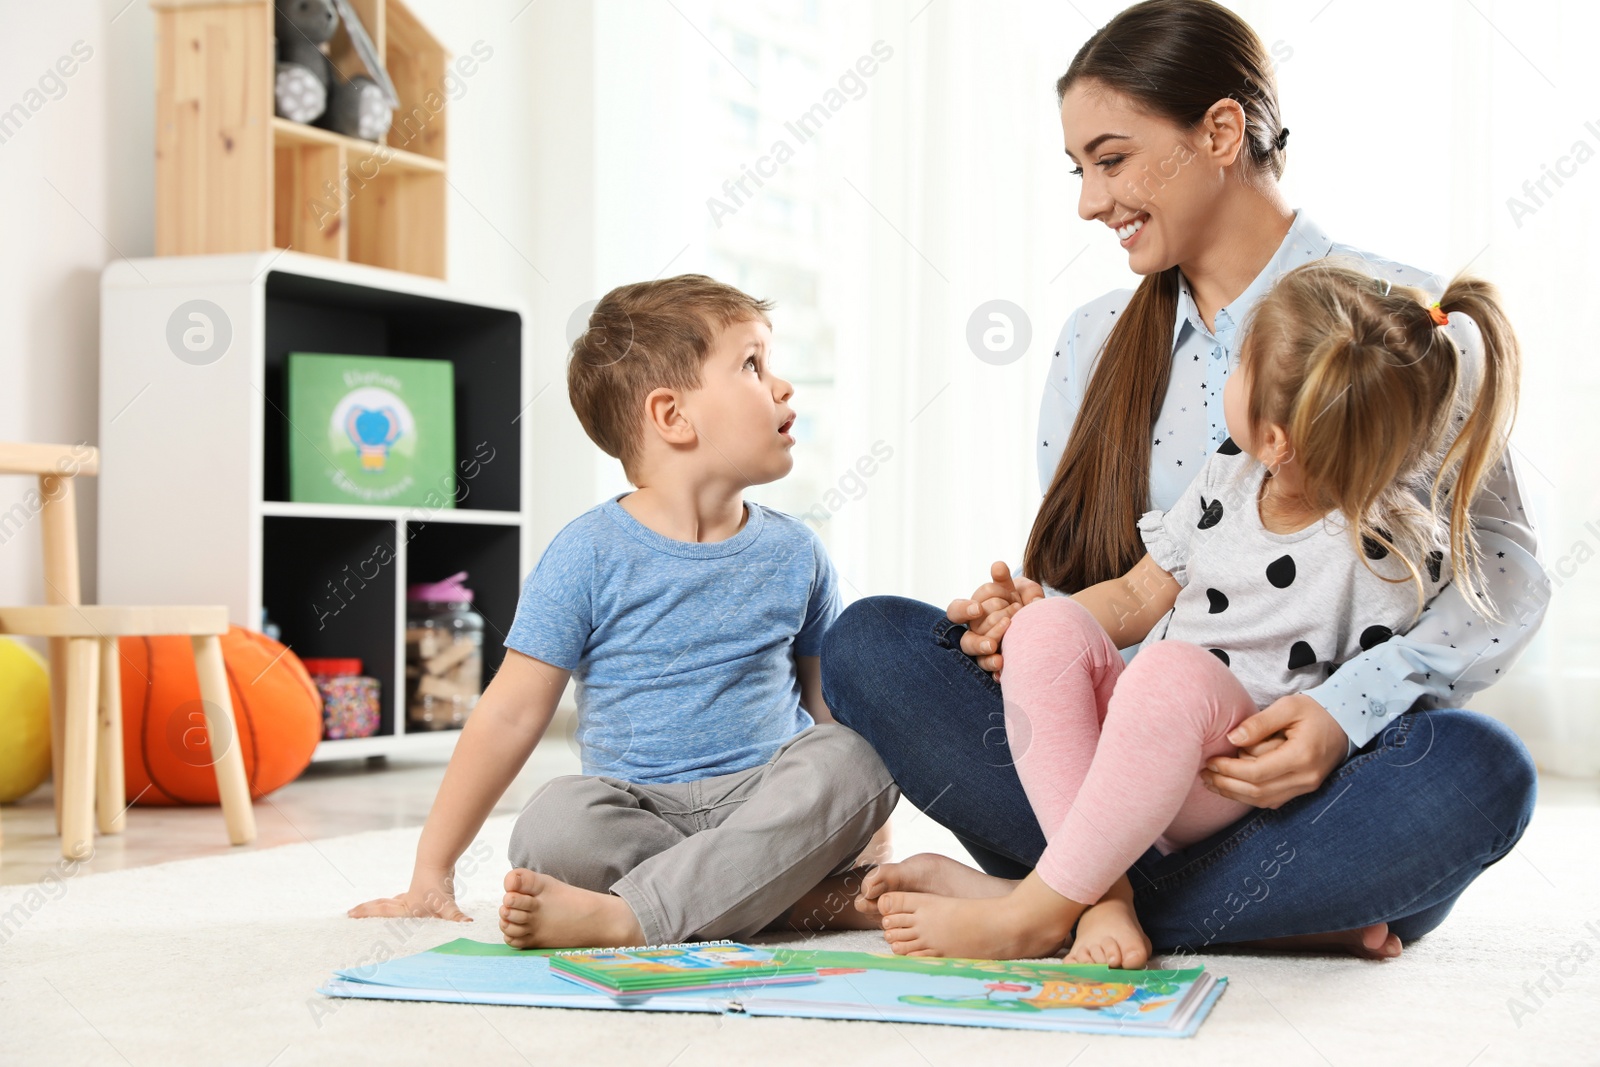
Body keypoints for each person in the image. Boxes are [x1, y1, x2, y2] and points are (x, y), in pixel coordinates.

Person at [823, 0, 1545, 962]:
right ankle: (1151, 897)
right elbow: (1123, 591)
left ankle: (1050, 894)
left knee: (1479, 772)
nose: (1089, 201)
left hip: (1309, 792)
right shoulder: (1091, 342)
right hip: (1124, 757)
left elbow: (1501, 570)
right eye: (1078, 169)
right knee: (872, 642)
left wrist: (1345, 709)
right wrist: (1033, 615)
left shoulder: (1403, 328)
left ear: (1219, 132)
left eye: (1110, 159)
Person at [865, 260, 1519, 962]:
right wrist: (1025, 630)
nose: (1226, 375)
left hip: (1233, 778)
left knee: (1176, 675)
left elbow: (1397, 702)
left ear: (1278, 437)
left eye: (1239, 366)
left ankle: (1036, 906)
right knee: (1047, 629)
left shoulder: (1392, 549)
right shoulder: (1233, 473)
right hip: (1131, 744)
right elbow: (1137, 595)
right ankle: (1106, 900)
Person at [350, 274, 897, 948]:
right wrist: (432, 871)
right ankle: (781, 896)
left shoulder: (797, 551)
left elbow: (827, 709)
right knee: (551, 826)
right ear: (672, 416)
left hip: (765, 798)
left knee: (856, 758)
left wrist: (868, 848)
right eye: (753, 364)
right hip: (636, 808)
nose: (783, 387)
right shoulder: (587, 552)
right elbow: (511, 713)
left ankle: (635, 912)